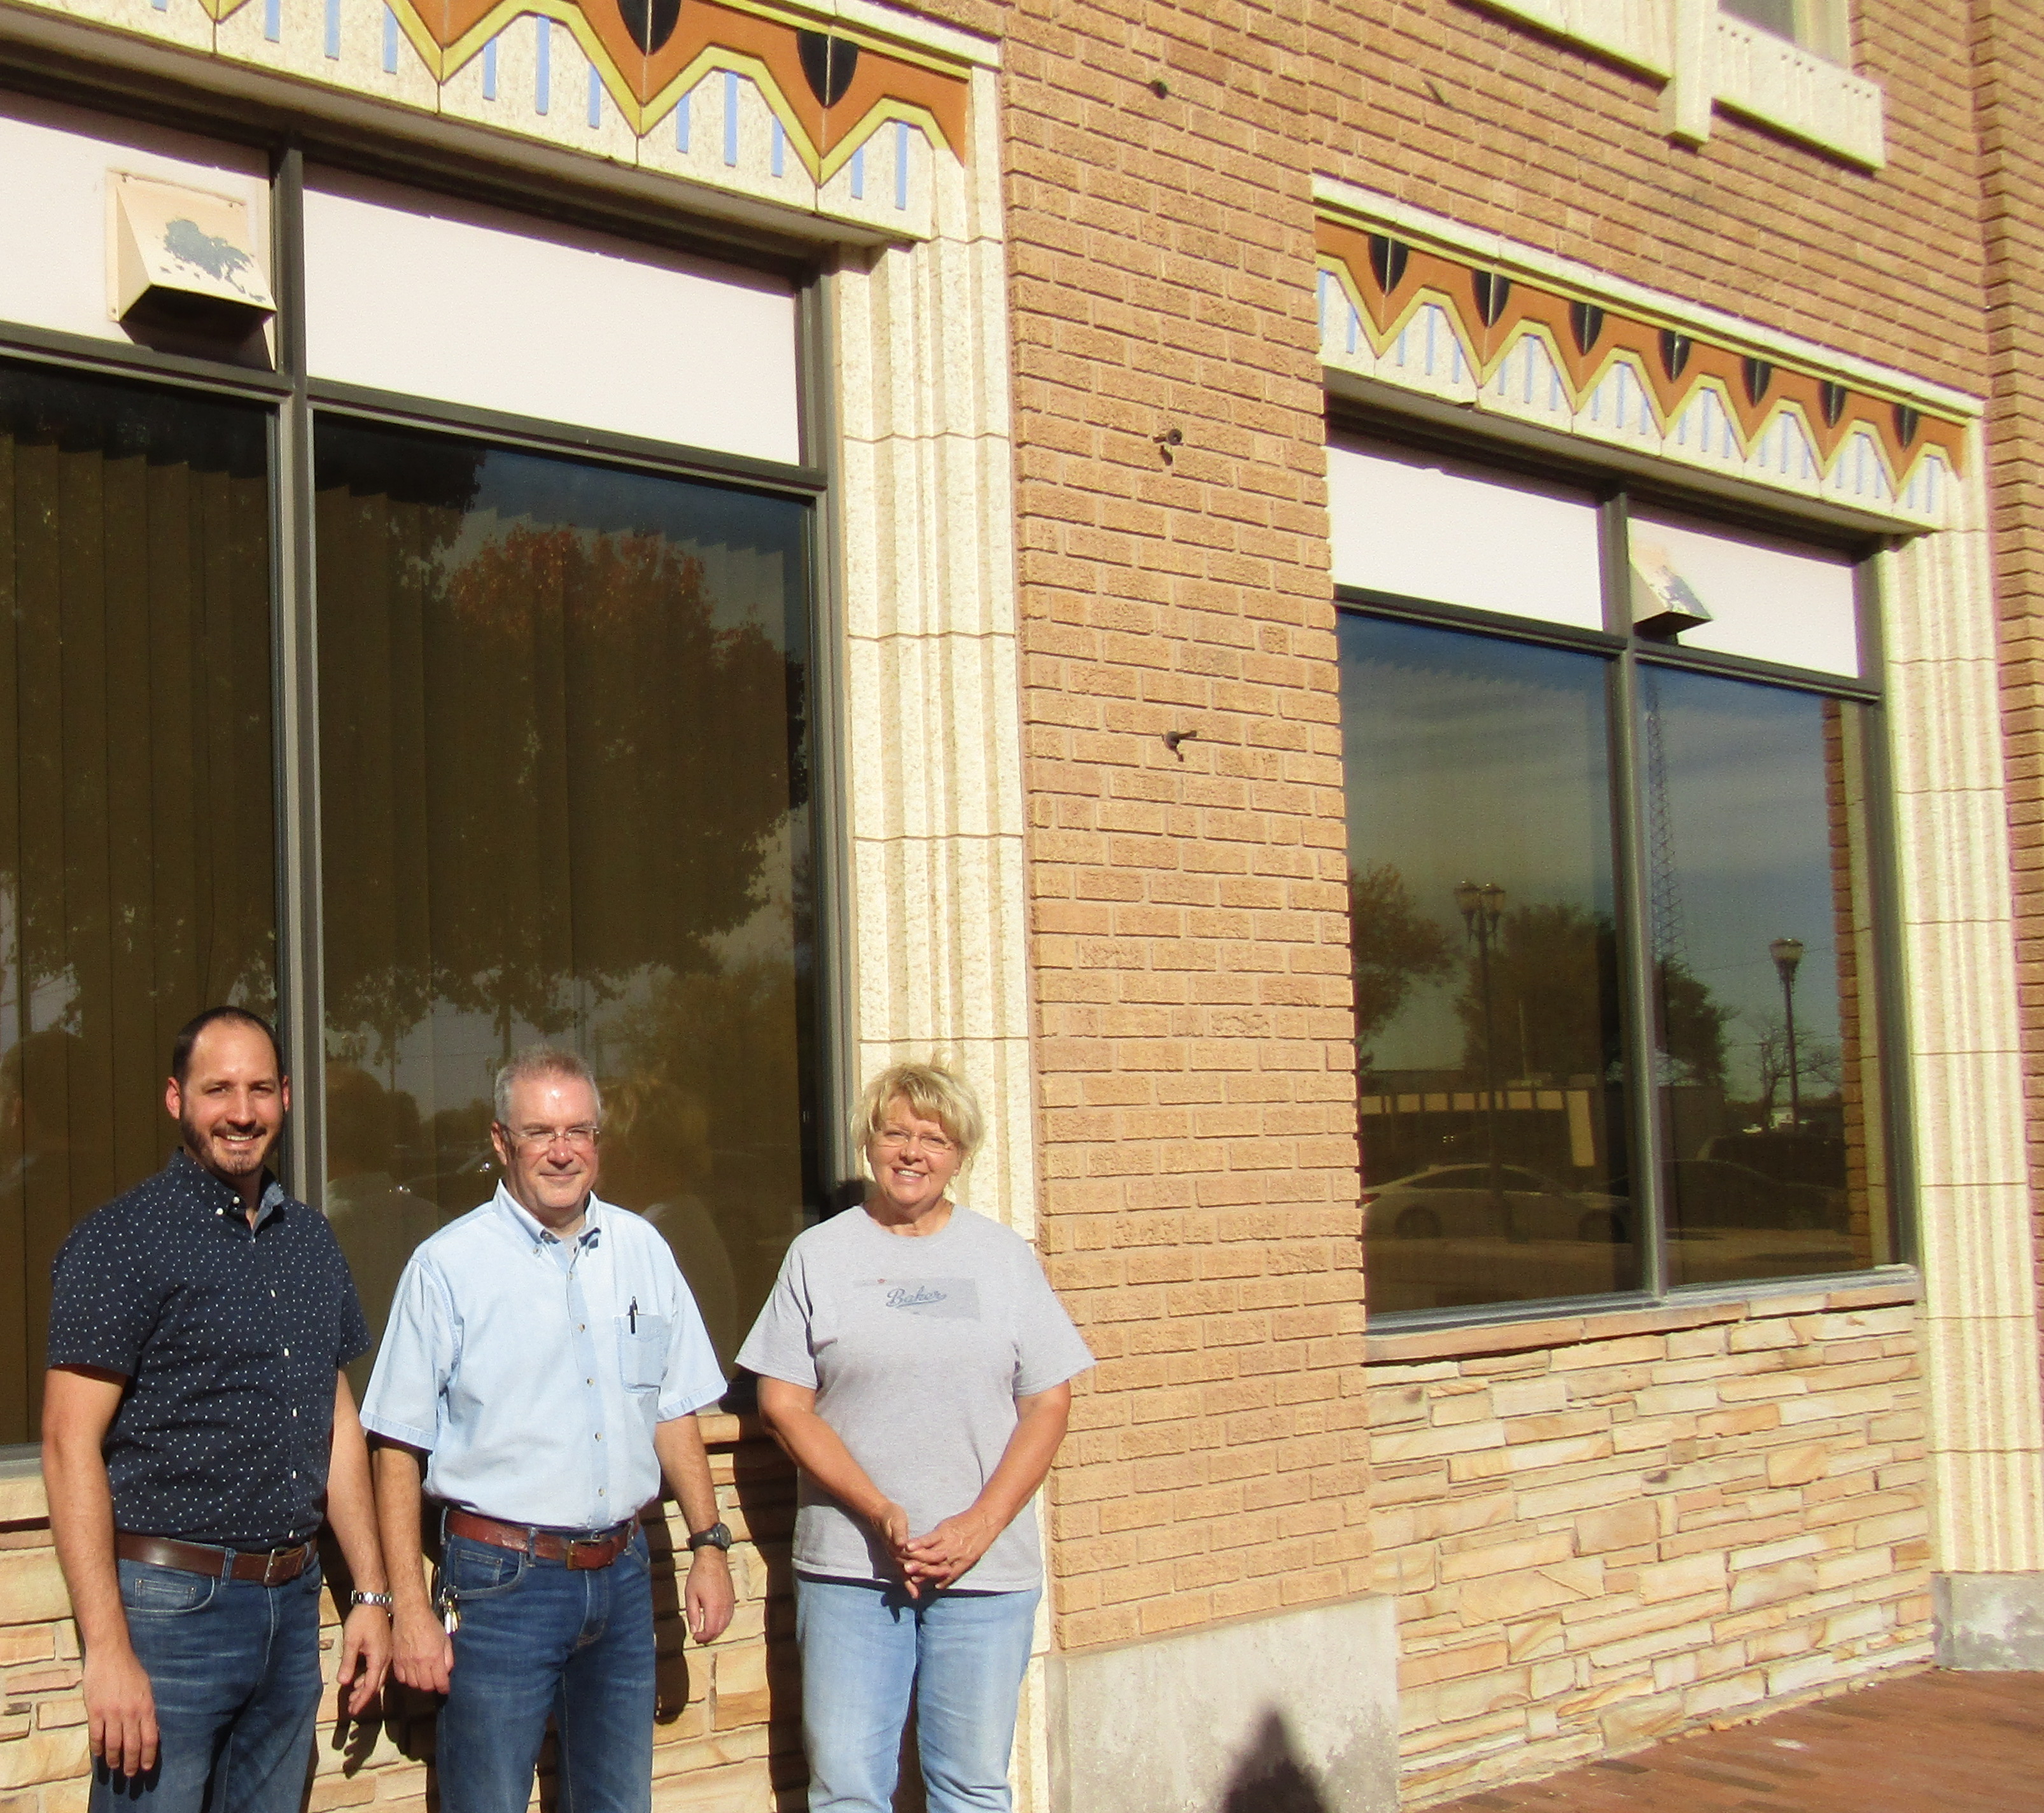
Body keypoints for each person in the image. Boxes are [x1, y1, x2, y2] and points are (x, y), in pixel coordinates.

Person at [363, 1046, 736, 1813]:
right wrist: (410, 1607)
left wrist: (708, 1543)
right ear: (501, 1142)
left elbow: (670, 1409)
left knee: (617, 1802)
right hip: (503, 1584)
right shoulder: (448, 1266)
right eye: (539, 1131)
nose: (562, 1149)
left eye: (578, 1129)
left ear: (598, 1138)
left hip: (624, 1576)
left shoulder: (643, 1250)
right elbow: (397, 1444)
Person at [41, 1006, 393, 1813]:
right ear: (176, 1099)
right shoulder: (120, 1242)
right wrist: (108, 1650)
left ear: (286, 1098)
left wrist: (370, 1593)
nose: (241, 1110)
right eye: (218, 1088)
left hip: (291, 1603)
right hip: (171, 1615)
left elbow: (335, 1421)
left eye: (260, 1088)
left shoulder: (311, 1240)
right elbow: (66, 1444)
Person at [738, 1061, 1093, 1813]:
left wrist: (979, 1523)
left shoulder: (1001, 1257)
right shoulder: (819, 1255)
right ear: (868, 1143)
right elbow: (784, 1404)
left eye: (933, 1138)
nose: (911, 1151)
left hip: (985, 1574)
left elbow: (1048, 1402)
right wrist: (876, 1507)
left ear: (960, 1154)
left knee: (969, 1785)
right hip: (850, 1569)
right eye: (895, 1132)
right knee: (847, 1789)